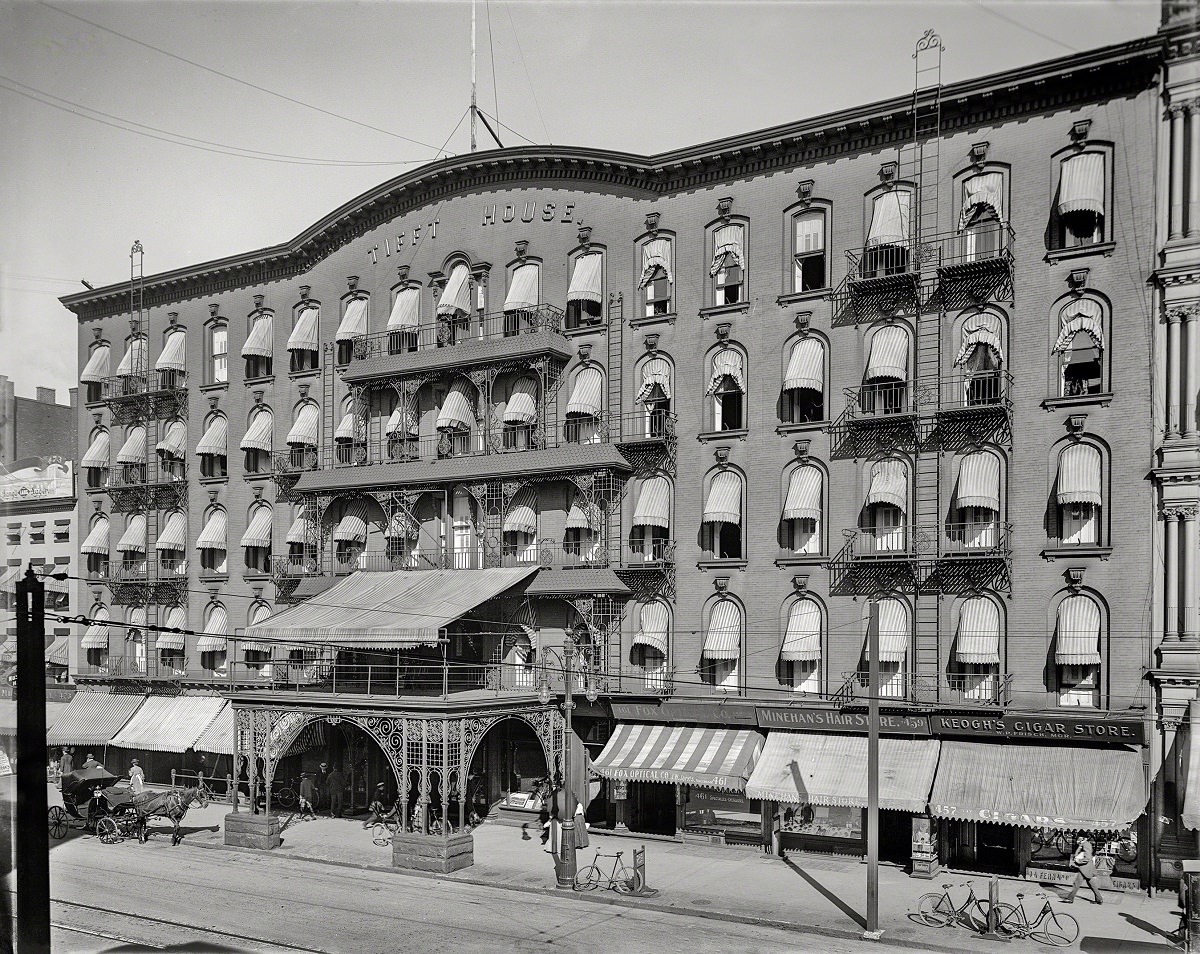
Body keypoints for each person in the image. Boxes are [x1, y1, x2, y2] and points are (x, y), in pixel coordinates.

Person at [1063, 834, 1104, 905]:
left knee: (1077, 883)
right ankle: (1099, 899)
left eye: (1079, 838)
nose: (1077, 840)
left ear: (1083, 838)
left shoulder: (1086, 844)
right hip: (1086, 868)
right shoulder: (1084, 844)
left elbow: (1087, 858)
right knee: (1091, 884)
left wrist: (1079, 861)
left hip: (1085, 867)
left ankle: (1070, 898)